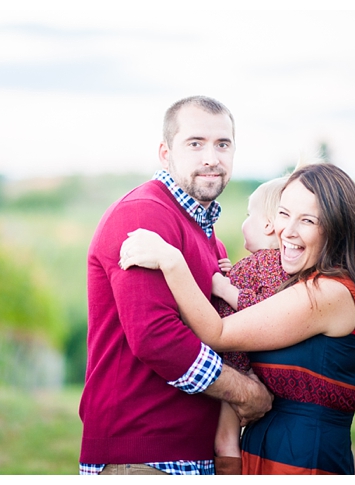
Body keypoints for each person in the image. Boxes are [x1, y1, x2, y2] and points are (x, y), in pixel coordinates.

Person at [119, 162, 355, 475]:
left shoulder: (330, 292)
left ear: (337, 227)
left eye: (307, 220)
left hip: (302, 464)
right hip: (266, 457)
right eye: (283, 213)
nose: (286, 231)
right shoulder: (305, 282)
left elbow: (218, 332)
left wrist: (171, 261)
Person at [78, 95, 274, 476]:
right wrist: (245, 391)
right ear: (165, 153)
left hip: (191, 457)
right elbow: (156, 337)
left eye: (223, 144)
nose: (211, 158)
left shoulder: (210, 239)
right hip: (142, 456)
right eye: (195, 143)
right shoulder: (144, 214)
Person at [211, 175, 290, 474]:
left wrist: (223, 287)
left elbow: (263, 310)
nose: (245, 222)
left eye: (248, 215)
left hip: (236, 362)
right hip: (245, 361)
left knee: (225, 439)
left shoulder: (270, 263)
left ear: (268, 225)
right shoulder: (267, 264)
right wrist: (234, 273)